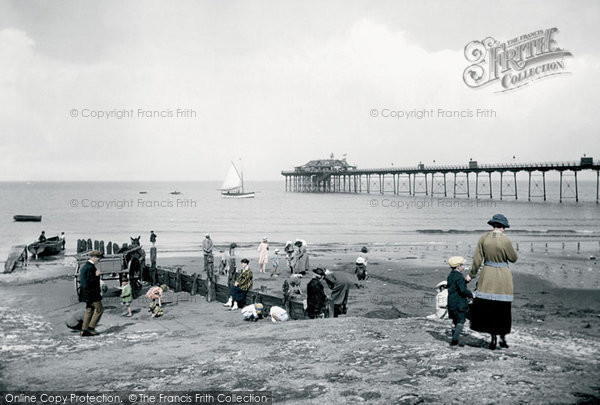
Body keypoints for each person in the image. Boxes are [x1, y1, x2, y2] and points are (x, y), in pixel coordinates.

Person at [467, 214, 518, 350]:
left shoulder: (483, 238)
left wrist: (471, 275)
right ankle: (502, 337)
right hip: (503, 276)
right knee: (502, 308)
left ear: (493, 225)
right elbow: (513, 258)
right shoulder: (505, 240)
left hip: (487, 273)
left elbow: (477, 261)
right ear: (503, 227)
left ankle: (492, 338)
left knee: (488, 307)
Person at [446, 256, 473, 346]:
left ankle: (454, 338)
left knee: (454, 320)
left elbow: (455, 287)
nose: (463, 267)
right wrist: (472, 294)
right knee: (461, 321)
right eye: (462, 265)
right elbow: (462, 290)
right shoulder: (459, 277)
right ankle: (454, 340)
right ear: (458, 267)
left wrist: (465, 282)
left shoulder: (451, 275)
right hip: (459, 303)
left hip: (451, 302)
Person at [79, 250, 104, 336]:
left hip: (86, 293)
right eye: (98, 258)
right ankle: (91, 328)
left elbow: (84, 282)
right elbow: (89, 281)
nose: (99, 260)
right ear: (94, 257)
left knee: (89, 310)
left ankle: (84, 330)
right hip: (92, 293)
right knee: (99, 310)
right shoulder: (90, 267)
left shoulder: (85, 266)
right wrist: (97, 276)